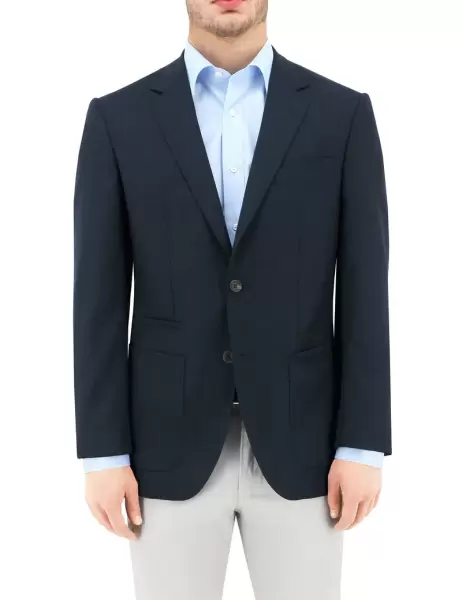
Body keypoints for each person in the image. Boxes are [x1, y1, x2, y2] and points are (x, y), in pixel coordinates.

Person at [73, 0, 391, 598]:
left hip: (307, 449)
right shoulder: (119, 119)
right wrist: (103, 453)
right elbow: (98, 301)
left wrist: (363, 442)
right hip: (163, 449)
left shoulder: (341, 115)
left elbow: (366, 290)